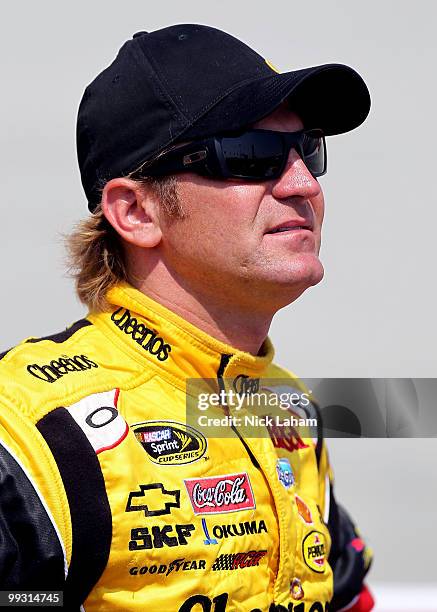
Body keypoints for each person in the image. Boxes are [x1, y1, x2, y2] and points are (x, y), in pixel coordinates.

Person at [0, 24, 374, 611]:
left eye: (311, 150)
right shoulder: (27, 429)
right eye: (251, 155)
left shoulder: (287, 407)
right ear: (136, 211)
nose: (303, 184)